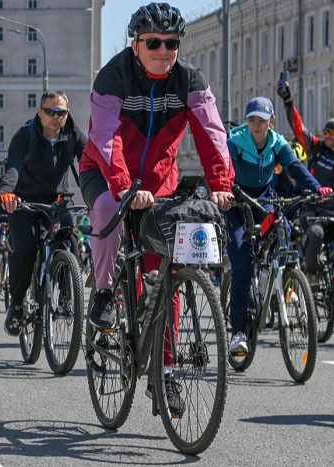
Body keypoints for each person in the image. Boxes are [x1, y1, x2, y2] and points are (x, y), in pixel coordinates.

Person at [79, 3, 235, 414]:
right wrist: (123, 185)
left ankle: (166, 374)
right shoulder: (113, 76)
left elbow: (212, 133)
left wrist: (220, 185)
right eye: (154, 43)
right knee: (108, 210)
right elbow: (106, 138)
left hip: (159, 185)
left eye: (171, 43)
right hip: (105, 173)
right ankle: (105, 293)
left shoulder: (190, 80)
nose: (164, 50)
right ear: (136, 43)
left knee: (167, 270)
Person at [225, 96, 327, 355]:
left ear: (271, 120)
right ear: (247, 121)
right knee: (242, 264)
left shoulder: (277, 143)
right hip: (237, 204)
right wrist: (227, 192)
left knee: (282, 227)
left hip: (264, 201)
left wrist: (317, 189)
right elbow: (227, 171)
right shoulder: (235, 142)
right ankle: (238, 333)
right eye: (252, 119)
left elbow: (296, 168)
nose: (256, 124)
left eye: (261, 120)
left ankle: (277, 274)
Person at [0, 90, 87, 335]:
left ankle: (69, 296)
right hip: (24, 202)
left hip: (57, 202)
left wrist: (102, 194)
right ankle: (16, 305)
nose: (56, 117)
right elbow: (12, 167)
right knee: (25, 250)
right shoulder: (24, 135)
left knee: (71, 240)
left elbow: (89, 164)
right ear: (40, 112)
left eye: (62, 112)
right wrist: (7, 193)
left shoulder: (74, 135)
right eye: (51, 112)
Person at [277, 80, 334, 275]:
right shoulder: (317, 148)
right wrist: (288, 100)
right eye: (326, 131)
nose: (328, 135)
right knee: (316, 234)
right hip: (312, 211)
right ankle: (312, 272)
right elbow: (298, 128)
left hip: (333, 213)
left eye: (332, 132)